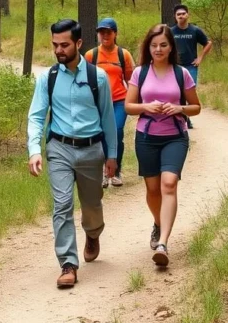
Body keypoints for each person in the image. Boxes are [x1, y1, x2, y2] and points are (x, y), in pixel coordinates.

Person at [27, 19, 117, 288]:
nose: (58, 50)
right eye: (55, 44)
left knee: (92, 205)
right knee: (62, 205)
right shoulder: (48, 78)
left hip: (91, 150)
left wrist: (111, 156)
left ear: (78, 43)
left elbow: (108, 119)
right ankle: (68, 263)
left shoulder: (96, 77)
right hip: (60, 149)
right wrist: (34, 150)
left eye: (64, 44)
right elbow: (36, 116)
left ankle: (92, 233)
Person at [124, 24, 201, 268]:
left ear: (171, 48)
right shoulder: (139, 73)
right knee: (153, 188)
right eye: (154, 45)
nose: (158, 49)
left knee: (169, 184)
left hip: (175, 136)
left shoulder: (181, 74)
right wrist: (146, 106)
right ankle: (158, 223)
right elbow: (129, 106)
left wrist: (179, 108)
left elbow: (196, 107)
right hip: (146, 137)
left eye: (163, 45)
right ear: (148, 47)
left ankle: (163, 244)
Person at [84, 17, 135, 188]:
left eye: (108, 32)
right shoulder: (91, 55)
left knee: (117, 131)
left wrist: (134, 101)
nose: (105, 35)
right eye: (101, 32)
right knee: (101, 135)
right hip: (98, 103)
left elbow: (131, 80)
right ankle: (105, 172)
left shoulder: (124, 54)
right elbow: (85, 80)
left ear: (115, 34)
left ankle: (116, 170)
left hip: (119, 100)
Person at [170, 4, 213, 85]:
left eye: (183, 14)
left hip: (191, 66)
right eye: (178, 14)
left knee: (190, 90)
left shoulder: (195, 30)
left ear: (188, 15)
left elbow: (208, 43)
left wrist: (200, 57)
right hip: (174, 66)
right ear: (175, 16)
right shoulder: (170, 31)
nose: (181, 16)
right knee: (175, 91)